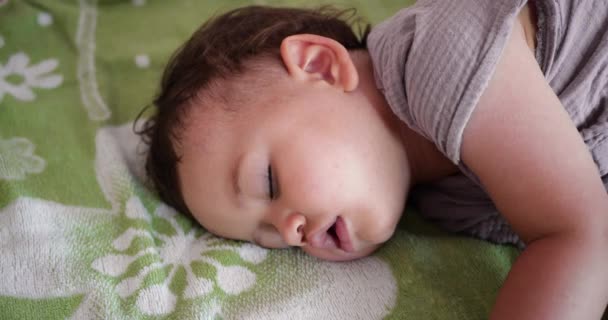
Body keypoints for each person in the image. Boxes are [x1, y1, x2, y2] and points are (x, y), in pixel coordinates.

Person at [137, 0, 608, 318]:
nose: (288, 230)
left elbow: (580, 236)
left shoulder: (436, 59)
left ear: (320, 66)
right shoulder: (447, 203)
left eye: (269, 182)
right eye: (265, 238)